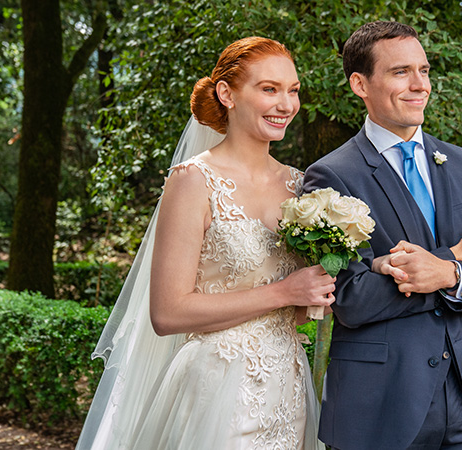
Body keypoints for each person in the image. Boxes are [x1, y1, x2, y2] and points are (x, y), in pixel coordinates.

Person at [76, 37, 334, 450]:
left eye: (293, 90)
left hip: (289, 387)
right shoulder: (193, 181)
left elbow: (299, 308)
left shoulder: (301, 186)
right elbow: (168, 312)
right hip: (217, 389)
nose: (286, 104)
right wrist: (284, 291)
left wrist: (314, 295)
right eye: (269, 89)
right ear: (227, 94)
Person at [303, 22, 462, 449]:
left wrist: (448, 275)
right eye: (401, 72)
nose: (420, 85)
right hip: (381, 406)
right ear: (360, 84)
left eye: (424, 70)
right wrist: (455, 258)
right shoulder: (330, 177)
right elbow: (350, 299)